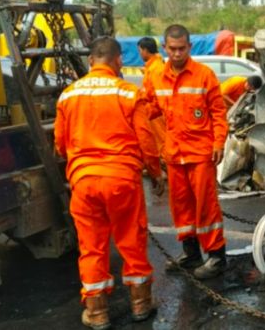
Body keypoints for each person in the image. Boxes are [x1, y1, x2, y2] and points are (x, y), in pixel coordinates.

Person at [54, 37, 164, 329]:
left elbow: (60, 144)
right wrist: (156, 174)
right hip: (122, 181)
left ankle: (97, 312)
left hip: (84, 182)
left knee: (91, 248)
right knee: (131, 241)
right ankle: (141, 304)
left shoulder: (67, 95)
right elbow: (146, 141)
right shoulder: (128, 93)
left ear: (91, 61)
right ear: (118, 62)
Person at [143, 24, 229, 279]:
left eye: (182, 49)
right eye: (172, 49)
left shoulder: (204, 75)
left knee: (206, 207)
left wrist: (218, 144)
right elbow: (149, 107)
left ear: (189, 47)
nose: (177, 54)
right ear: (165, 47)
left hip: (200, 154)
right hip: (174, 154)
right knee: (181, 207)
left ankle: (216, 256)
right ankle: (191, 254)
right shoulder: (157, 77)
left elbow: (218, 113)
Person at [137, 37, 166, 156]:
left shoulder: (156, 68)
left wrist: (151, 110)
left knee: (162, 140)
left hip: (157, 112)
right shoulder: (152, 67)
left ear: (145, 50)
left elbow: (160, 94)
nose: (139, 53)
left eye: (140, 50)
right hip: (152, 110)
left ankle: (167, 167)